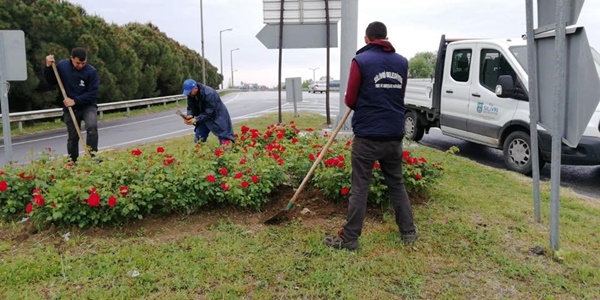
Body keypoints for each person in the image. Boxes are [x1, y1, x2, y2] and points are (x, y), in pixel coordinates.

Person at [323, 21, 418, 251]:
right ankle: (408, 232)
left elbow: (350, 100)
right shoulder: (402, 62)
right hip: (394, 135)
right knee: (396, 183)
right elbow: (399, 94)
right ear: (385, 37)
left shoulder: (360, 61)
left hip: (367, 136)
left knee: (360, 187)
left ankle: (350, 239)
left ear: (367, 39)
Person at [44, 47, 99, 163]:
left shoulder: (91, 72)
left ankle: (93, 158)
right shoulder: (63, 66)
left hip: (87, 105)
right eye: (78, 63)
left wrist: (75, 100)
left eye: (83, 63)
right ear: (71, 58)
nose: (80, 65)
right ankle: (73, 162)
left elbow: (92, 93)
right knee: (73, 137)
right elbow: (51, 81)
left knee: (92, 128)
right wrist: (48, 67)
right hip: (70, 108)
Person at [182, 79, 235, 144]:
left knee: (225, 138)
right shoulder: (191, 95)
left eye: (189, 92)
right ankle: (198, 152)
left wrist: (196, 119)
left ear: (195, 88)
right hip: (203, 118)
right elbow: (190, 107)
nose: (189, 94)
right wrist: (189, 116)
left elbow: (209, 112)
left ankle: (227, 152)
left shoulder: (209, 93)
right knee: (198, 139)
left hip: (217, 117)